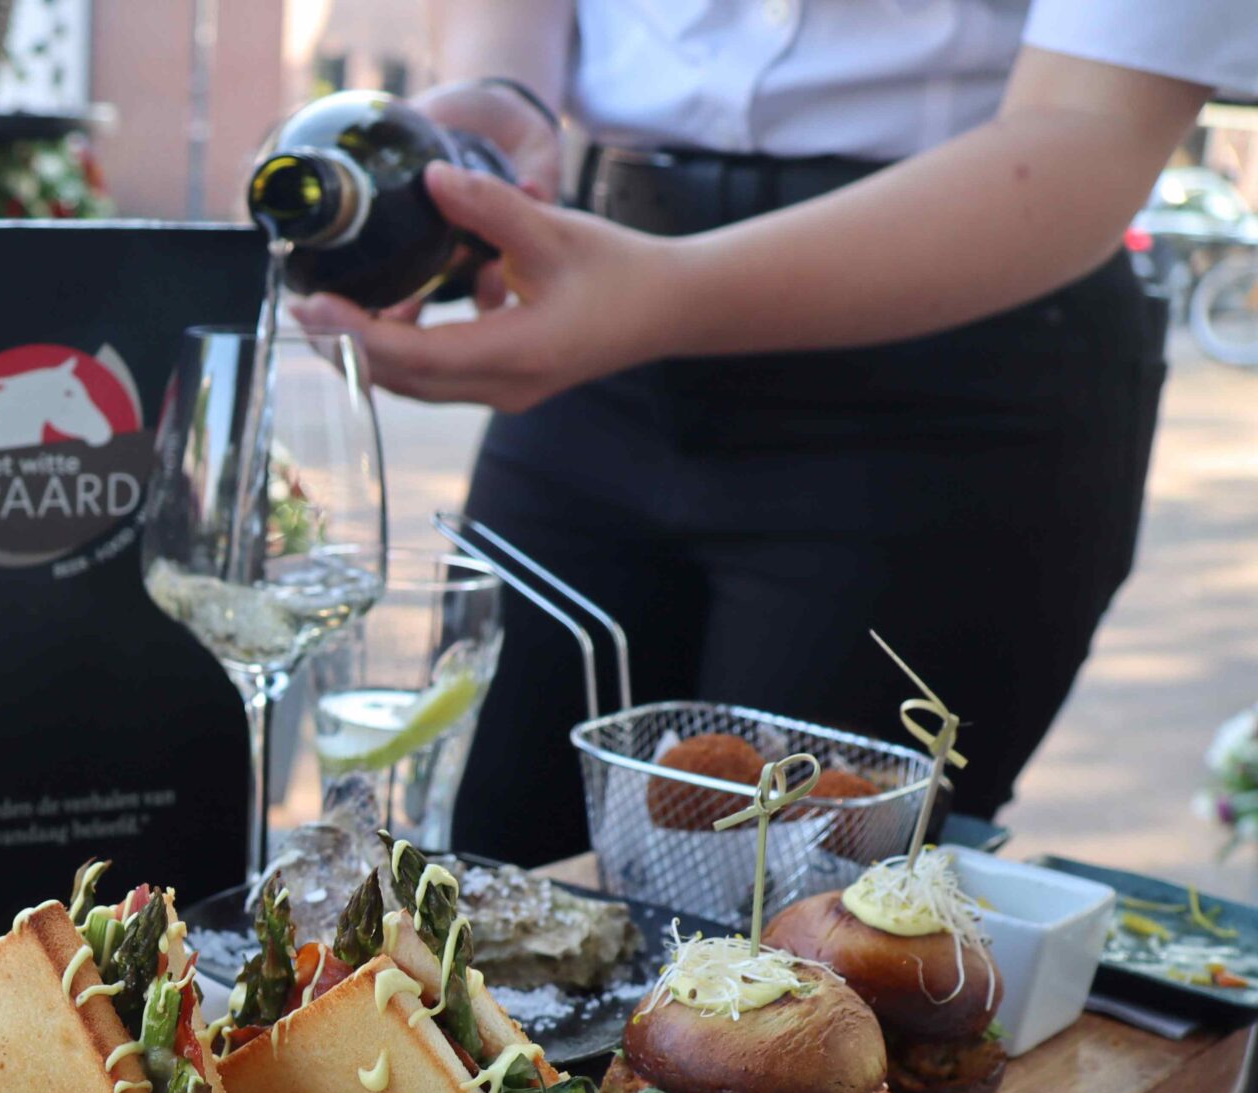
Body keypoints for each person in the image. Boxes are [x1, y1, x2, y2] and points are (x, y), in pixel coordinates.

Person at [292, 5, 1258, 866]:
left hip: (946, 362)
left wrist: (660, 298)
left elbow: (1091, 129)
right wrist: (507, 96)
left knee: (804, 938)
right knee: (485, 875)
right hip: (601, 297)